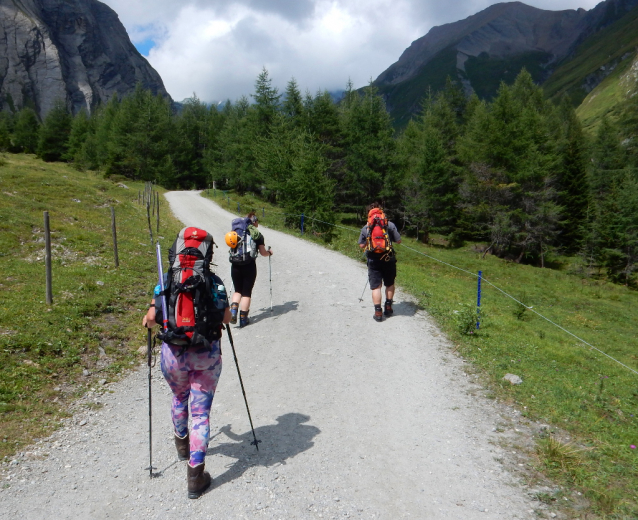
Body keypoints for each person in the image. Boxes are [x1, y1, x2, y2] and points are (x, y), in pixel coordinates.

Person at [143, 228, 231, 499]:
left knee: (179, 398)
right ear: (209, 253)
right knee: (201, 414)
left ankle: (182, 446)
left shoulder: (165, 280)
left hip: (173, 356)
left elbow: (149, 319)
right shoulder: (214, 282)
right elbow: (227, 318)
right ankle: (195, 475)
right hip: (205, 356)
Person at [358, 203, 402, 322]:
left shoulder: (366, 227)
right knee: (389, 283)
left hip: (373, 259)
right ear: (381, 212)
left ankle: (378, 312)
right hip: (388, 258)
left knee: (376, 286)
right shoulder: (389, 224)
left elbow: (361, 244)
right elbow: (398, 241)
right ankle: (388, 307)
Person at [228, 211, 273, 327]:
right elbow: (263, 253)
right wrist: (269, 253)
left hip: (235, 265)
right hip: (249, 265)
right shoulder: (257, 235)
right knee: (246, 292)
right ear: (254, 221)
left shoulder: (236, 232)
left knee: (237, 290)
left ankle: (233, 311)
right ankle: (243, 319)